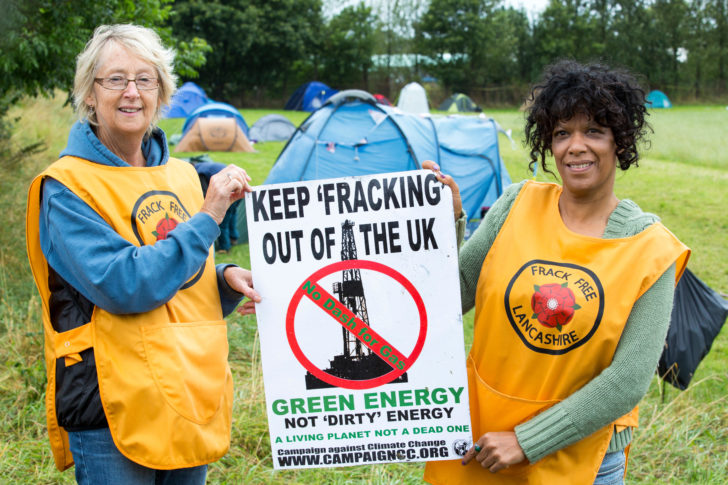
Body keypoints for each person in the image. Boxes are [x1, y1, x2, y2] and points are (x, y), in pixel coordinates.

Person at [423, 60, 690, 484]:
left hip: (583, 457)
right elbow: (450, 299)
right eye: (562, 132)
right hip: (483, 441)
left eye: (594, 132)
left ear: (620, 141)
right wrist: (442, 227)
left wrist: (528, 440)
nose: (575, 146)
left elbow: (627, 380)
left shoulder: (650, 248)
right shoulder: (515, 206)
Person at [25, 24, 260, 485]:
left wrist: (222, 278)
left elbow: (181, 270)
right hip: (112, 406)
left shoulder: (183, 176)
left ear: (161, 93)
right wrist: (210, 216)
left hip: (188, 389)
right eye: (115, 79)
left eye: (145, 79)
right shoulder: (66, 188)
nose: (131, 92)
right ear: (89, 95)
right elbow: (125, 285)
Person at [193, 160, 242, 253]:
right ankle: (234, 238)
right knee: (232, 216)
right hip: (239, 187)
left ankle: (225, 247)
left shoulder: (200, 173)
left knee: (223, 222)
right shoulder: (206, 166)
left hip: (229, 192)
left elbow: (204, 192)